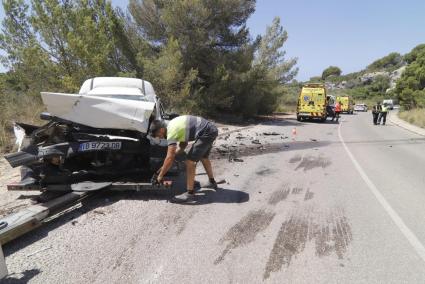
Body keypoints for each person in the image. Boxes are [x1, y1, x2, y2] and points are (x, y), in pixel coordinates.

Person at [150, 115, 219, 203]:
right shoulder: (172, 125)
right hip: (210, 129)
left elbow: (169, 157)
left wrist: (160, 176)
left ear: (161, 130)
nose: (159, 137)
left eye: (158, 135)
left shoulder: (171, 132)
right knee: (203, 157)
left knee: (190, 162)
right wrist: (175, 155)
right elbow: (183, 144)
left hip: (206, 132)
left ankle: (190, 194)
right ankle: (211, 182)